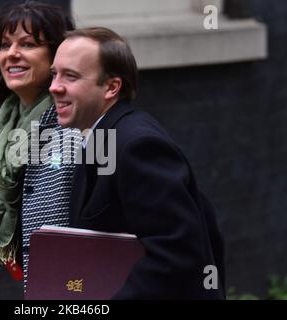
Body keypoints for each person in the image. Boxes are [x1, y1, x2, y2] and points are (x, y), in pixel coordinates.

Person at [49, 27, 226, 299]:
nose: (54, 87)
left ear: (111, 87)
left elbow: (175, 252)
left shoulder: (138, 146)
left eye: (70, 76)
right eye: (54, 74)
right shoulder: (102, 135)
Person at [0, 2, 78, 288]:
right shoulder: (7, 123)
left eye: (28, 44)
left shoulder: (73, 124)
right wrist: (8, 222)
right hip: (42, 283)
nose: (12, 54)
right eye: (5, 45)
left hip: (77, 284)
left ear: (57, 55)